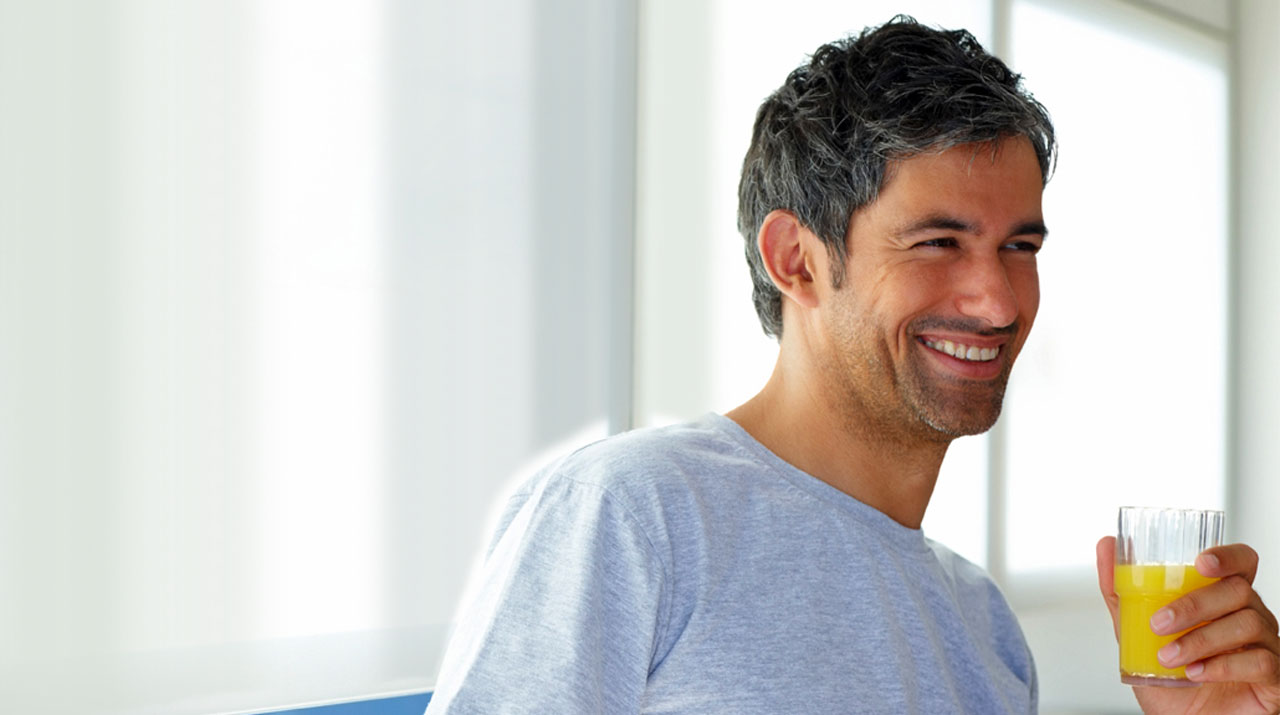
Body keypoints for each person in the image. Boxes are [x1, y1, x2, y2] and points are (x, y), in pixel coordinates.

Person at [425, 16, 1280, 714]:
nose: (998, 300)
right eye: (938, 241)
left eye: (1019, 245)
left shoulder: (981, 628)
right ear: (796, 259)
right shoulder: (631, 513)